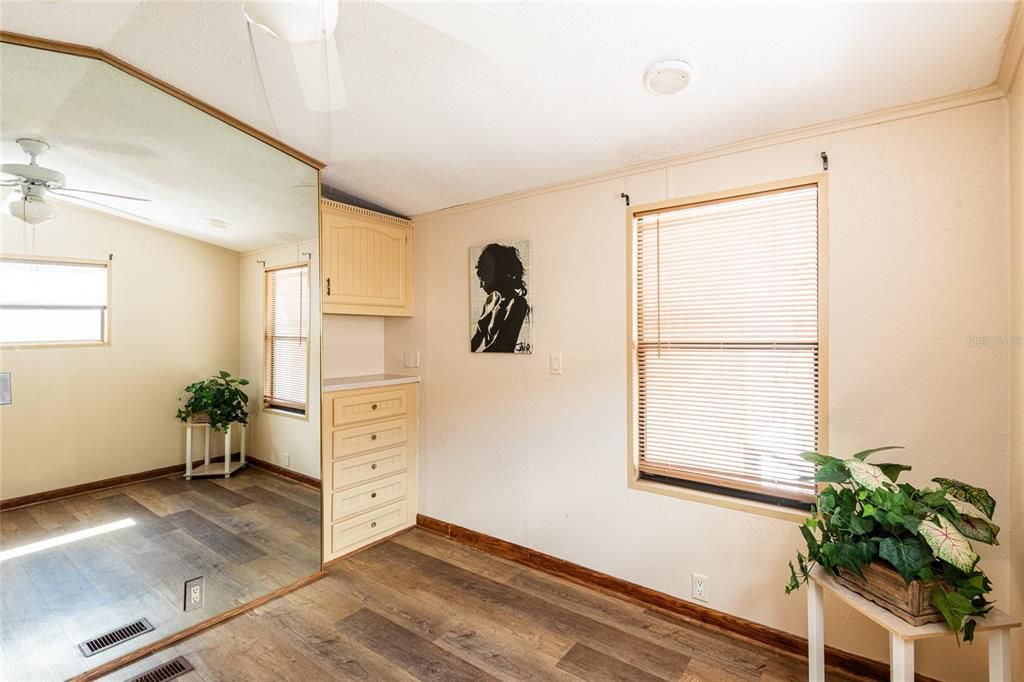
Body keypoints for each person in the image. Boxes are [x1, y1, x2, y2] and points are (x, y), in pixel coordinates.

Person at [471, 243, 529, 353]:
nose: (481, 285)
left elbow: (501, 346)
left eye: (484, 278)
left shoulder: (517, 304)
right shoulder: (491, 302)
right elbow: (477, 339)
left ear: (497, 275)